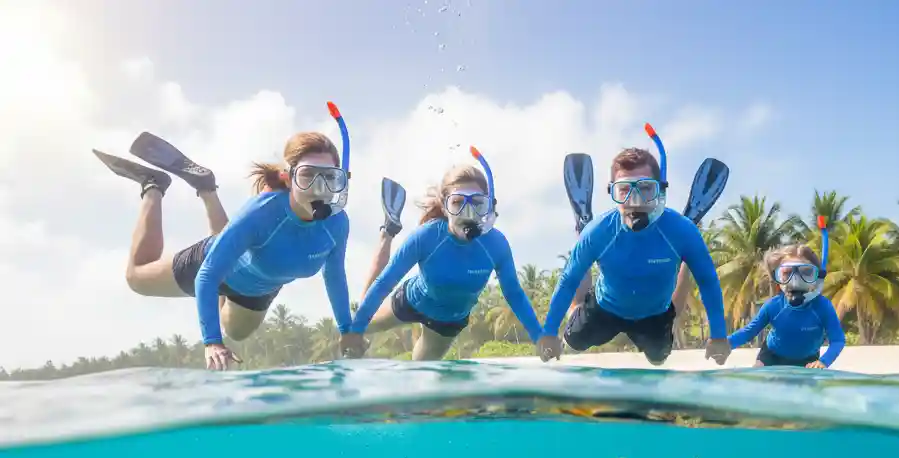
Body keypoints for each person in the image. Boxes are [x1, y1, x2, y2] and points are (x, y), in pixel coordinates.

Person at [93, 105, 359, 371]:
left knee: (237, 332)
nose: (318, 189)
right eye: (308, 176)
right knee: (136, 278)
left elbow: (334, 274)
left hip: (257, 289)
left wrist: (347, 329)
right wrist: (212, 343)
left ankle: (206, 188)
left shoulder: (336, 224)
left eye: (329, 179)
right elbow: (208, 275)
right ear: (287, 178)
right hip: (211, 266)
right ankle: (153, 185)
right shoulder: (261, 213)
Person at [345, 150, 559, 360]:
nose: (467, 213)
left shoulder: (496, 244)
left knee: (422, 376)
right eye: (457, 203)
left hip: (448, 322)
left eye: (477, 204)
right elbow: (385, 282)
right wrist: (356, 329)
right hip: (412, 301)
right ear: (445, 206)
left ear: (488, 207)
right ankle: (388, 231)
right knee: (359, 325)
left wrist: (539, 336)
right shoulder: (426, 236)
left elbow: (513, 293)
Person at [543, 130, 728, 365]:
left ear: (659, 191)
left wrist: (719, 335)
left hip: (654, 313)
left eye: (645, 188)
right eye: (624, 190)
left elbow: (708, 280)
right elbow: (569, 279)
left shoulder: (681, 231)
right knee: (573, 341)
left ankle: (690, 227)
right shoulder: (600, 230)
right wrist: (549, 332)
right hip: (605, 307)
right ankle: (582, 223)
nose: (634, 199)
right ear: (612, 192)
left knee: (658, 360)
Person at [705, 242, 845, 368]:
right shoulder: (774, 306)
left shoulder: (822, 307)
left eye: (806, 272)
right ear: (776, 278)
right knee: (759, 375)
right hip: (771, 355)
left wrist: (823, 361)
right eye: (787, 273)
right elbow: (750, 331)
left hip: (808, 360)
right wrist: (725, 343)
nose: (795, 280)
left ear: (817, 278)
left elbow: (838, 340)